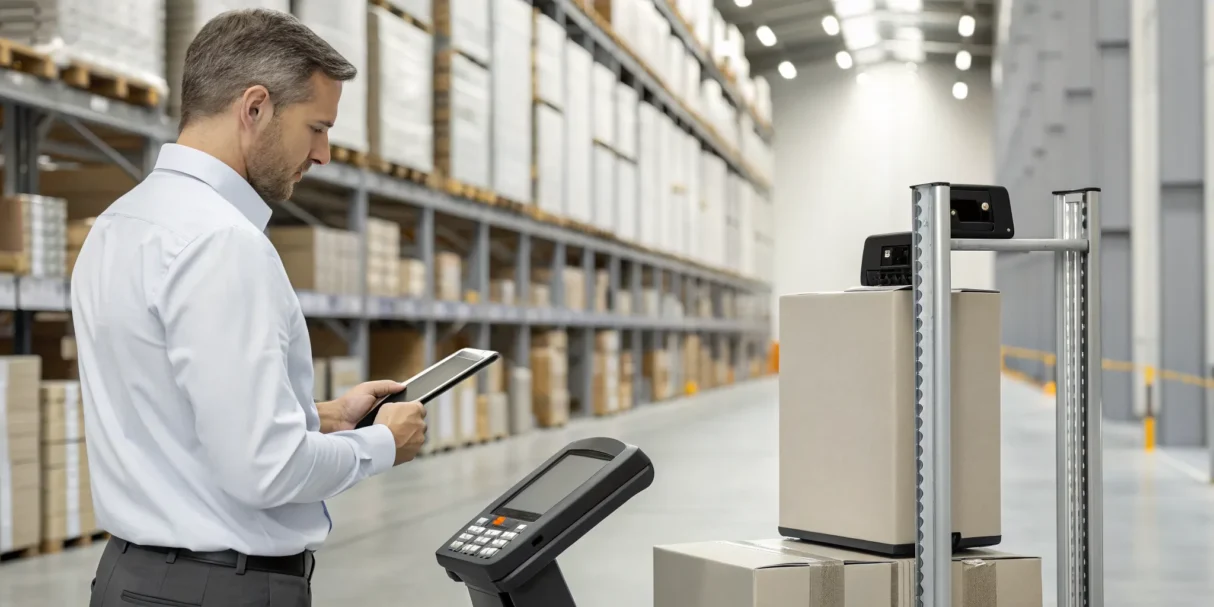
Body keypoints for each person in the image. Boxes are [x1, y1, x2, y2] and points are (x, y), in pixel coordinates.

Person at [70, 9, 426, 606]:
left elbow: (170, 408)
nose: (324, 154)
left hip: (130, 580)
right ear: (254, 107)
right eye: (316, 127)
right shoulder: (223, 242)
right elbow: (267, 469)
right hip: (216, 589)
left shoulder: (120, 223)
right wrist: (381, 443)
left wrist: (318, 417)